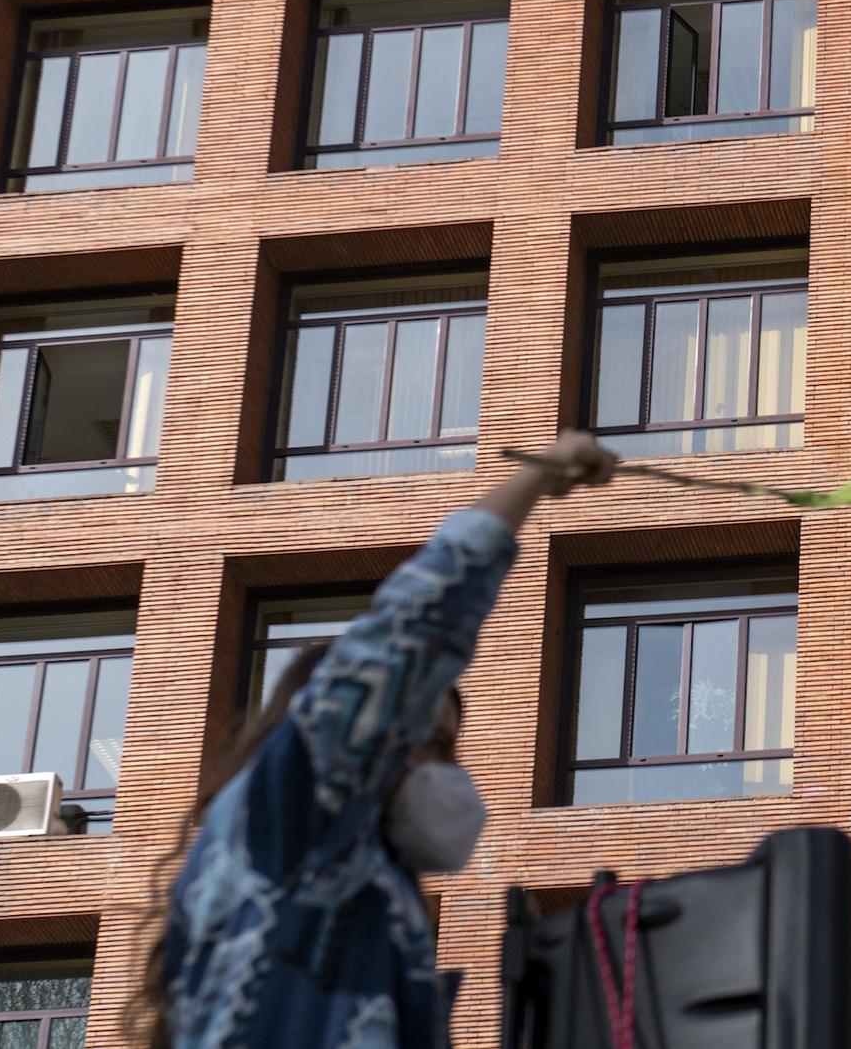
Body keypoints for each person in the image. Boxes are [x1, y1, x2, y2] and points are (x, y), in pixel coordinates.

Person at [144, 432, 618, 1049]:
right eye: (429, 744)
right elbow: (413, 627)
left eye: (450, 750)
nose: (447, 772)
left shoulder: (360, 888)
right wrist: (540, 475)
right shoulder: (296, 809)